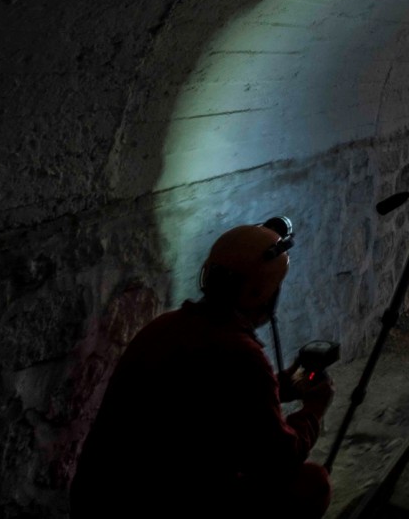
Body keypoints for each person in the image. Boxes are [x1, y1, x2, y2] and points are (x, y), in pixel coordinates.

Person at [70, 221, 335, 518]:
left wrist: (280, 387)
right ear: (260, 293)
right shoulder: (241, 353)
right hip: (167, 500)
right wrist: (313, 410)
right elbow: (276, 457)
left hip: (101, 497)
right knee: (312, 484)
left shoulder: (166, 327)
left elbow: (209, 400)